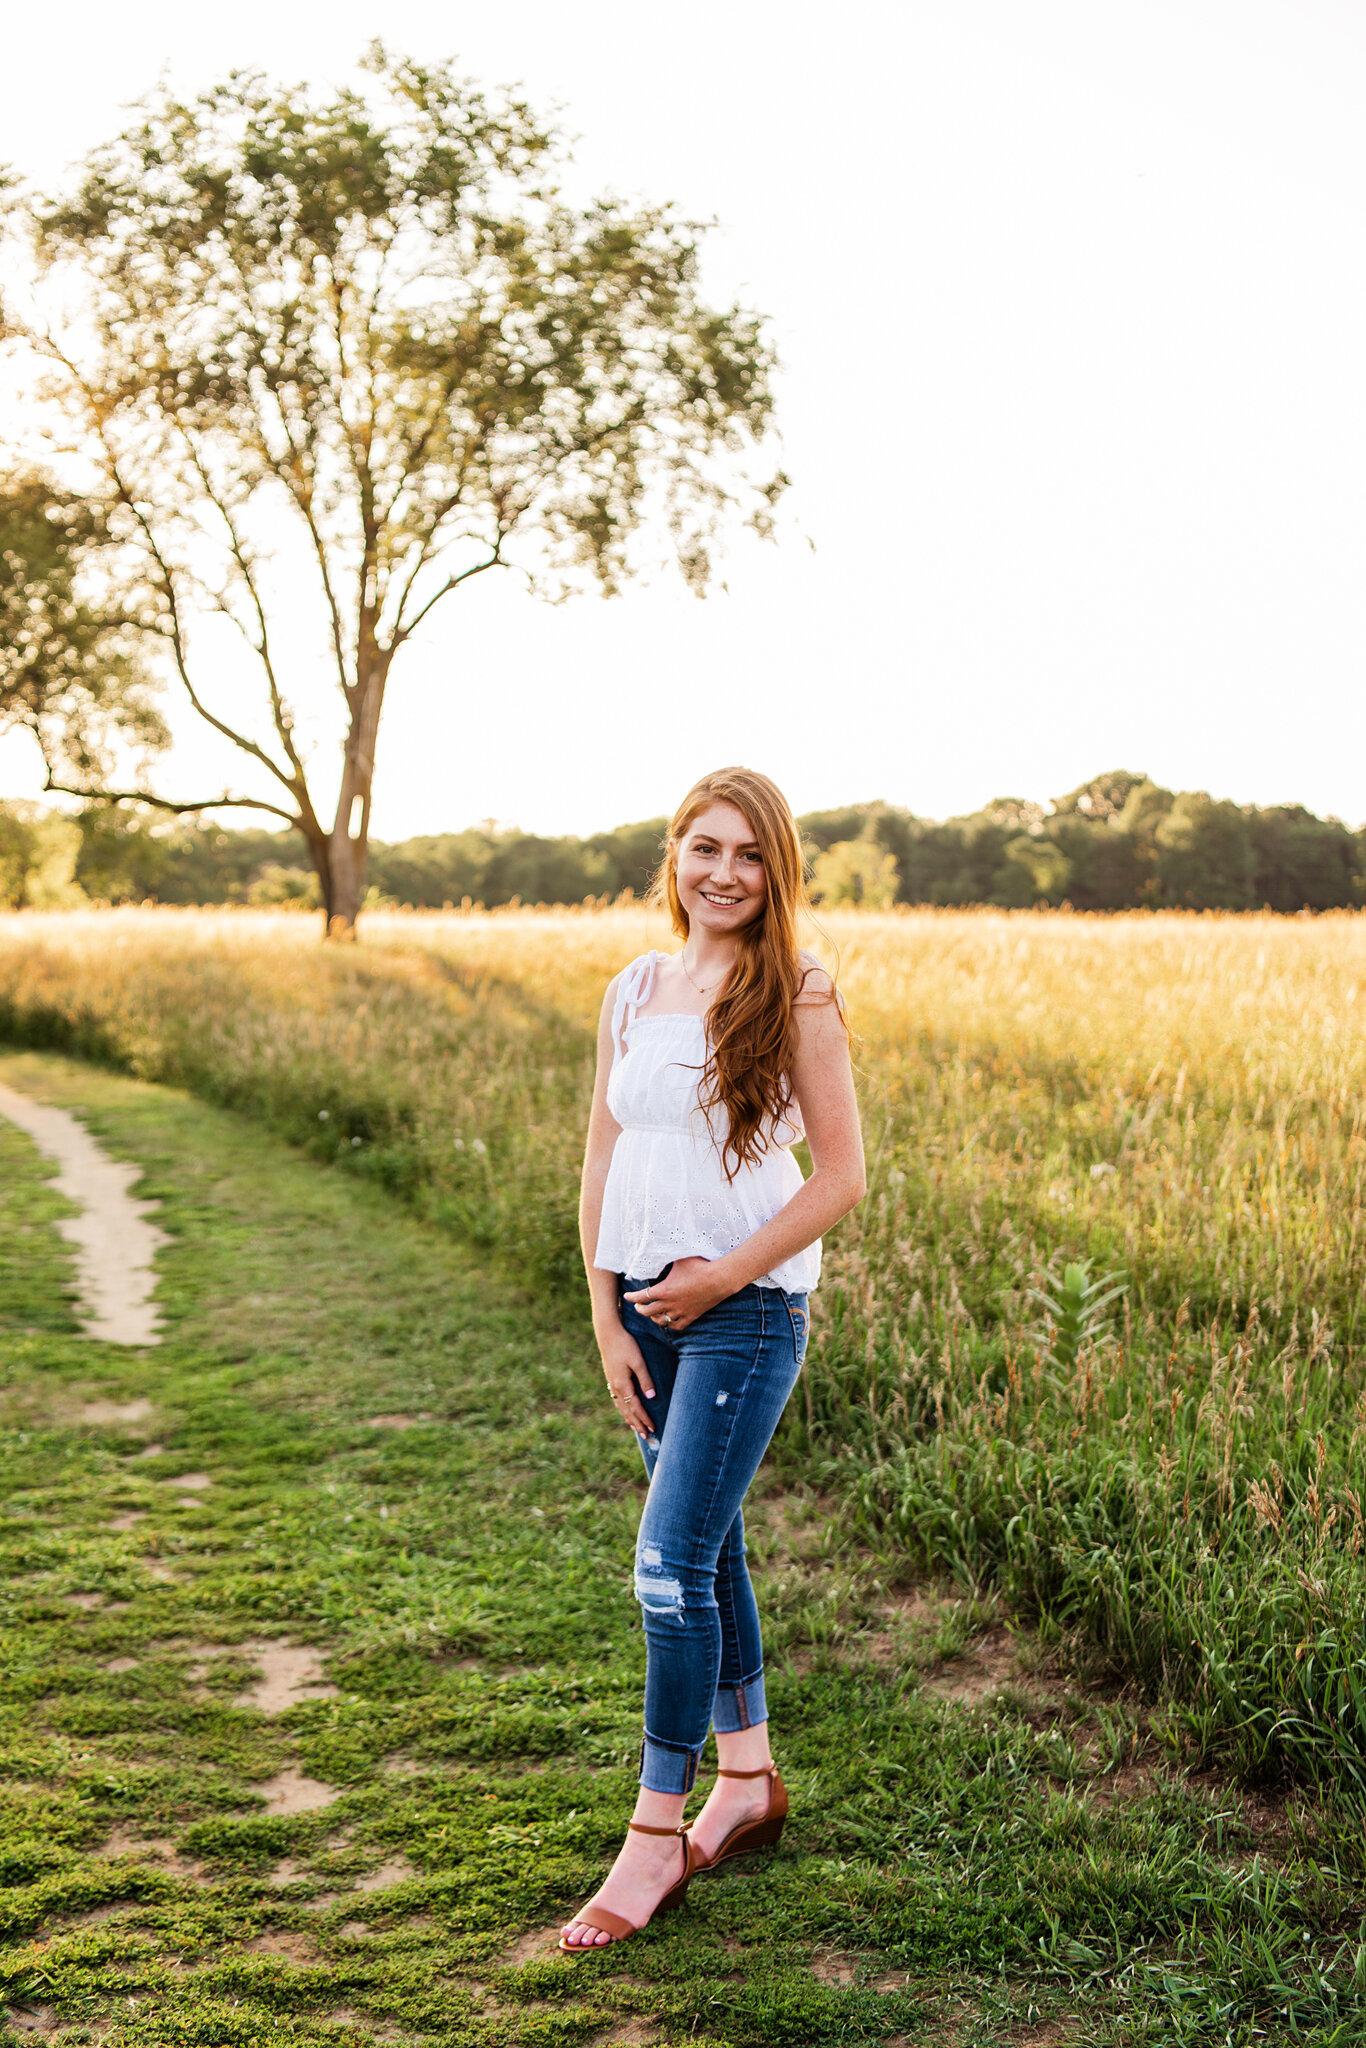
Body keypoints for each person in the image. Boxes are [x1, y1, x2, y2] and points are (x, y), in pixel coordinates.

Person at [561, 766, 866, 1953]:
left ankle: (653, 1835)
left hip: (742, 1314)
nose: (723, 873)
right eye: (703, 847)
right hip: (641, 1308)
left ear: (775, 868)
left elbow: (840, 1177)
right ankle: (745, 1782)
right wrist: (603, 1314)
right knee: (713, 1543)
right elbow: (601, 1155)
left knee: (665, 1563)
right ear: (672, 856)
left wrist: (721, 1277)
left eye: (748, 853)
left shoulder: (797, 990)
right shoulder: (633, 988)